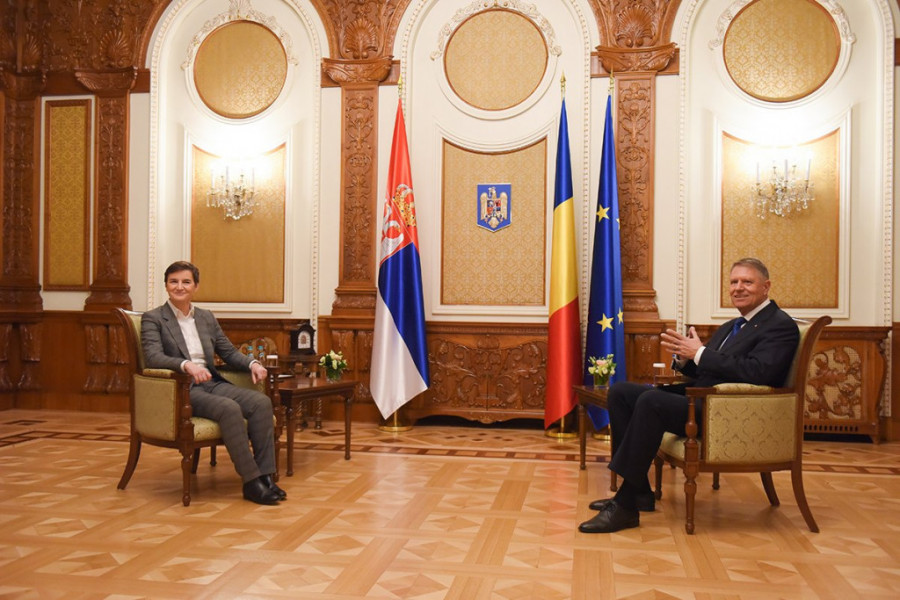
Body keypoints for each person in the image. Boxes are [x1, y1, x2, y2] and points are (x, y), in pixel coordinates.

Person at [579, 257, 798, 533]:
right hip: (703, 399)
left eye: (747, 282)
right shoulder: (733, 325)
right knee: (621, 392)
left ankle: (625, 505)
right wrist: (686, 359)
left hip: (725, 411)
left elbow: (758, 372)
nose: (738, 288)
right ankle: (640, 491)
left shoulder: (779, 325)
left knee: (651, 401)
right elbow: (708, 367)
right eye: (734, 282)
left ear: (766, 286)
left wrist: (700, 353)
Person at [141, 261, 286, 506]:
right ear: (166, 285)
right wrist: (186, 365)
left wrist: (253, 364)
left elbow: (228, 352)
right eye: (173, 281)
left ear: (195, 286)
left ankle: (266, 477)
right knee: (229, 409)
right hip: (182, 388)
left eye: (186, 282)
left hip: (211, 381)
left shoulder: (206, 317)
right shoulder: (153, 318)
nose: (179, 287)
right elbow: (153, 356)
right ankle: (251, 482)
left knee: (261, 403)